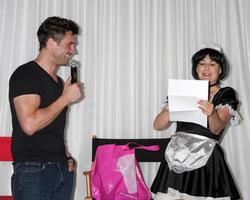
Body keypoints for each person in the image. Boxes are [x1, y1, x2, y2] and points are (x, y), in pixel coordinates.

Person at [150, 46, 241, 200]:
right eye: (201, 63)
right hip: (176, 155)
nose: (206, 68)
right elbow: (157, 125)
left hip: (206, 156)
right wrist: (171, 106)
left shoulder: (225, 94)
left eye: (212, 64)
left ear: (220, 69)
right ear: (195, 68)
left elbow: (217, 128)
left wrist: (211, 112)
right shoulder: (182, 90)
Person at [8, 16, 83, 200]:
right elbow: (30, 124)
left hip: (61, 171)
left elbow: (54, 127)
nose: (73, 50)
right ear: (51, 43)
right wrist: (65, 98)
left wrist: (67, 157)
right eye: (69, 45)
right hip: (33, 171)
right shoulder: (25, 74)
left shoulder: (58, 84)